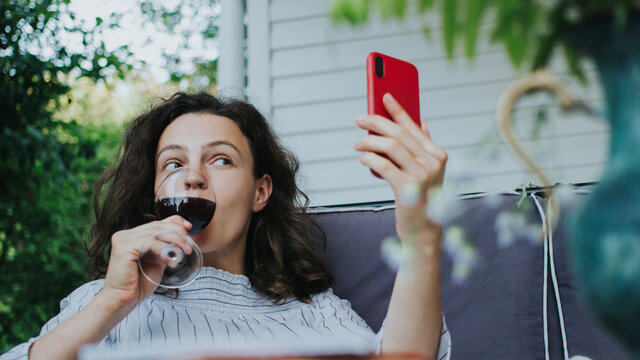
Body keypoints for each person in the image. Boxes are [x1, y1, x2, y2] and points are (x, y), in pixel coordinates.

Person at [1, 92, 450, 360]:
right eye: (173, 162)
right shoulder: (100, 306)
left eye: (220, 159)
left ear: (260, 192)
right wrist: (112, 303)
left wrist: (421, 236)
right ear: (157, 194)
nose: (193, 176)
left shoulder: (316, 311)